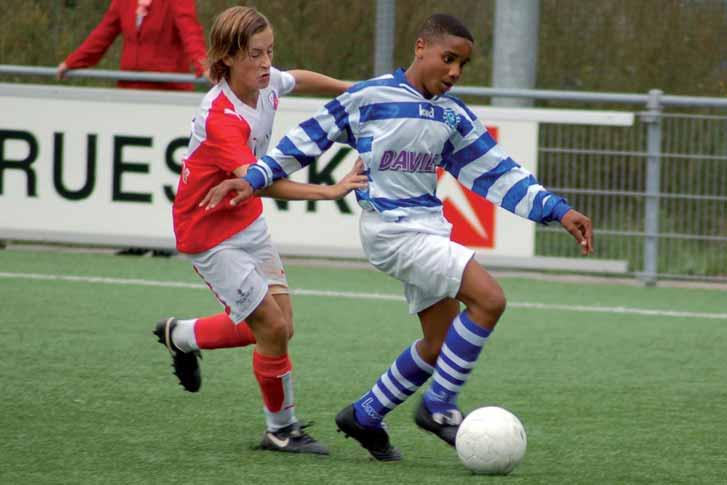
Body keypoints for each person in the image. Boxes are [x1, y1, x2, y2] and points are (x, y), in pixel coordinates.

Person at [201, 13, 594, 462]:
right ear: (421, 47)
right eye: (448, 59)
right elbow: (303, 142)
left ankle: (366, 414)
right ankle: (439, 407)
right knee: (490, 300)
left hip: (429, 228)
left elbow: (499, 173)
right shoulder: (369, 97)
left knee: (439, 342)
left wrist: (558, 211)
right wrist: (253, 178)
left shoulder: (453, 114)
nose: (454, 72)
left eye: (462, 65)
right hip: (392, 231)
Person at [153, 6, 364, 455]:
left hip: (244, 220)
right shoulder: (222, 117)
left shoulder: (264, 84)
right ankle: (281, 430)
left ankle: (182, 335)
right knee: (268, 326)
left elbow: (297, 79)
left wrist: (349, 90)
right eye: (255, 54)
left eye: (270, 51)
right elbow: (260, 181)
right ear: (227, 57)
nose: (267, 63)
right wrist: (330, 191)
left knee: (280, 328)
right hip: (208, 230)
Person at [57, 0, 208, 91]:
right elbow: (103, 34)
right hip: (129, 89)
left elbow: (190, 32)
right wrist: (72, 62)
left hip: (166, 92)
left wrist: (204, 67)